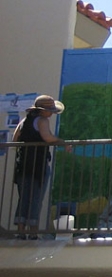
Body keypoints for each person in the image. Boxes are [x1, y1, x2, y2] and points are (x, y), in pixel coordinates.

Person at [11, 95, 65, 240]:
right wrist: (62, 141)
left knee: (23, 198)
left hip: (23, 165)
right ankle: (33, 232)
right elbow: (47, 137)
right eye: (50, 111)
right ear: (43, 111)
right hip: (38, 166)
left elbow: (15, 139)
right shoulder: (42, 120)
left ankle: (21, 231)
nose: (51, 114)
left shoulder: (24, 121)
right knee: (36, 198)